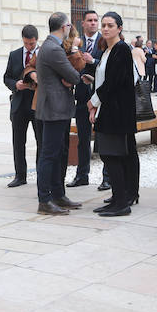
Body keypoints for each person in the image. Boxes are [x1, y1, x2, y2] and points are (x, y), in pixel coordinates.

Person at [87, 12, 138, 217]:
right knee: (108, 155)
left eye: (110, 25)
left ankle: (122, 203)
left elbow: (114, 83)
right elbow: (103, 80)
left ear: (119, 28)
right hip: (107, 110)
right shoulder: (108, 50)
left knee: (113, 155)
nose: (106, 28)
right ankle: (117, 198)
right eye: (104, 25)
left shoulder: (122, 50)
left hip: (117, 112)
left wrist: (93, 102)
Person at [34, 12, 83, 216]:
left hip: (57, 108)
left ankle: (58, 194)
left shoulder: (50, 46)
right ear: (65, 27)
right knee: (50, 155)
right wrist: (73, 77)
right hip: (54, 109)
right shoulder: (53, 49)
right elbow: (73, 75)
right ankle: (44, 200)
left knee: (59, 153)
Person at [3, 25, 40, 188]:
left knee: (41, 140)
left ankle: (42, 174)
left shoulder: (43, 55)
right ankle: (20, 175)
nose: (29, 47)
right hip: (19, 104)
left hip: (37, 104)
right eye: (26, 43)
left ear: (36, 40)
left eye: (31, 44)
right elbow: (6, 77)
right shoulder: (15, 55)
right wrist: (15, 85)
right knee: (18, 142)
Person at [68, 11, 100, 189]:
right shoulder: (75, 43)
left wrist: (93, 60)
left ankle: (107, 178)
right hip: (81, 97)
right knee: (83, 138)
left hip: (101, 97)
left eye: (96, 20)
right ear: (83, 23)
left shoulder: (104, 41)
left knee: (103, 138)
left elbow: (107, 64)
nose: (93, 23)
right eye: (90, 21)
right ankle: (82, 175)